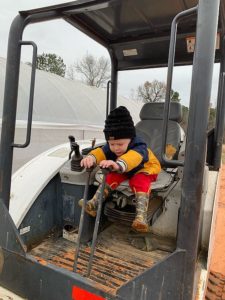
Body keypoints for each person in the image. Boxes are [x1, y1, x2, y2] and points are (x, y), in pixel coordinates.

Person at [79, 106, 161, 232]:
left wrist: (118, 164)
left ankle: (140, 218)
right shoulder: (112, 146)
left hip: (145, 168)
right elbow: (101, 152)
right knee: (111, 176)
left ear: (130, 139)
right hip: (124, 168)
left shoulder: (139, 145)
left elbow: (134, 157)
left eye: (120, 144)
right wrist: (91, 158)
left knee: (139, 181)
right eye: (112, 144)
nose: (116, 148)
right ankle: (94, 205)